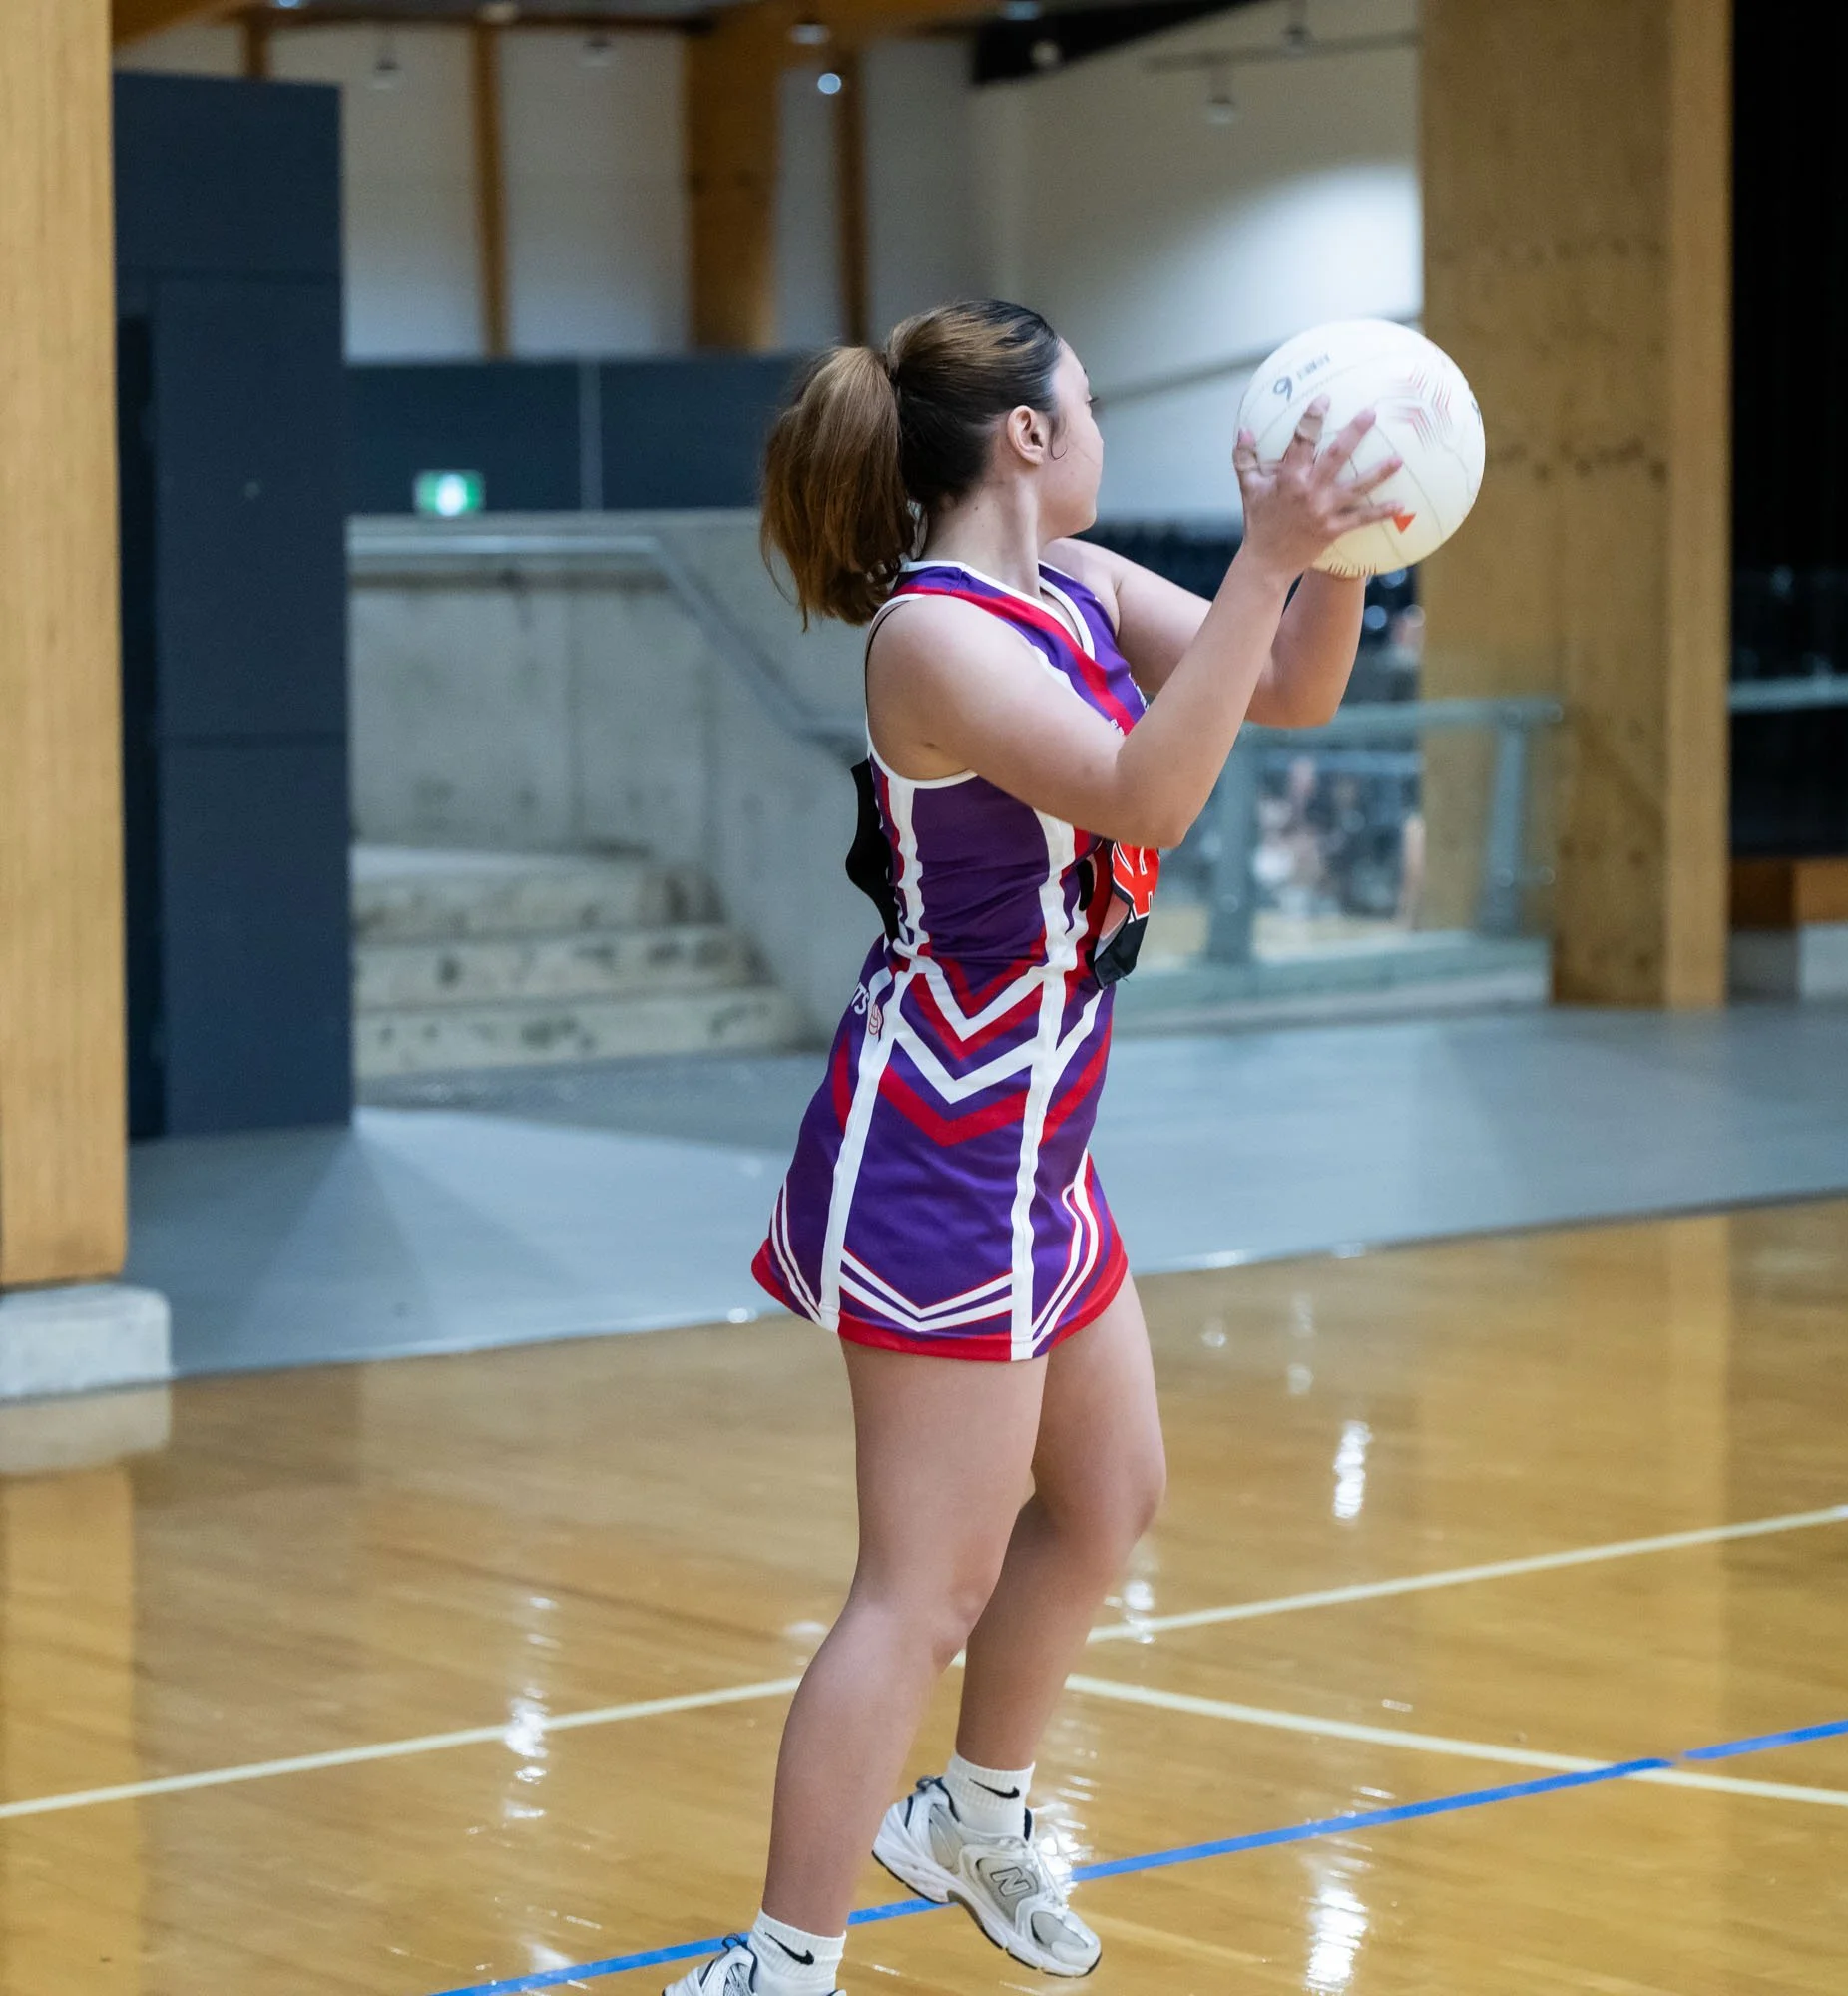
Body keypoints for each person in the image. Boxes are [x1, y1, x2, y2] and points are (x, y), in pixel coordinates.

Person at [666, 299, 1399, 1996]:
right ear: (1027, 435)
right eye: (1088, 397)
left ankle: (969, 1820)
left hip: (1038, 1154)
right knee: (921, 1592)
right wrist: (1265, 552)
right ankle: (782, 1961)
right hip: (941, 1153)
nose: (1102, 424)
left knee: (1109, 1496)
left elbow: (1288, 686)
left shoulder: (1075, 586)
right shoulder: (931, 638)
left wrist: (1350, 543)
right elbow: (1148, 794)